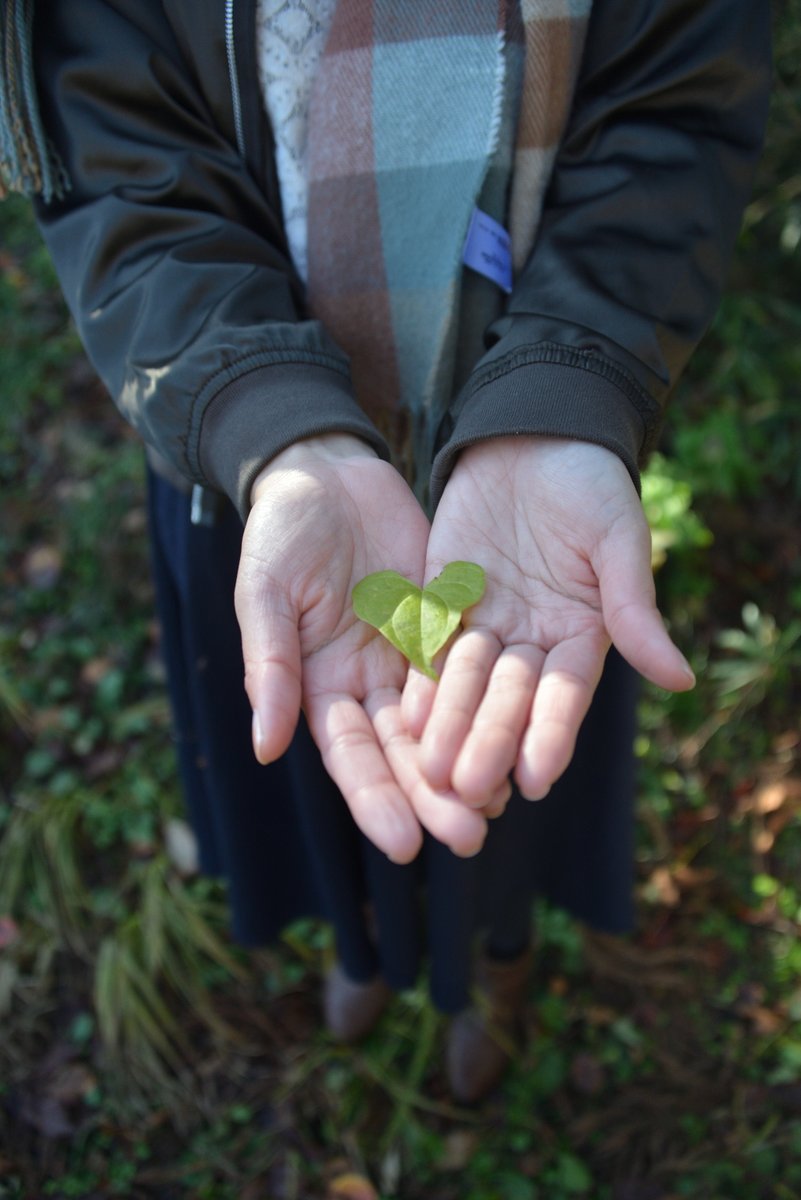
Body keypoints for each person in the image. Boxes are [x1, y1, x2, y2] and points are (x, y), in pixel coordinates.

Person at [1, 0, 769, 1102]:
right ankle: (359, 941)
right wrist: (268, 428)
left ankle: (497, 960)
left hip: (527, 453)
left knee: (501, 757)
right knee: (320, 740)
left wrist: (571, 389)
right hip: (255, 467)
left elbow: (678, 104)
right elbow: (115, 152)